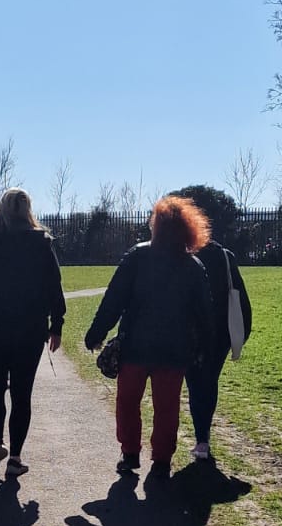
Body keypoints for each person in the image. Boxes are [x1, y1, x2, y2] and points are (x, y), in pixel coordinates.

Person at [84, 195, 213, 477]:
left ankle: (130, 452)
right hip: (174, 350)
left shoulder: (137, 256)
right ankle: (162, 458)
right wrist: (204, 348)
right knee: (166, 408)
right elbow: (205, 313)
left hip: (135, 346)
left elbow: (113, 299)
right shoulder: (193, 267)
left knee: (127, 403)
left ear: (156, 225)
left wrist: (96, 333)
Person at [0, 188, 66, 477]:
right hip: (30, 328)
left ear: (0, 209)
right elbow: (54, 286)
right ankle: (16, 457)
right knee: (22, 393)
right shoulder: (41, 243)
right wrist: (57, 325)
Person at [188, 237, 252, 461]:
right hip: (221, 334)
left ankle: (201, 438)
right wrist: (242, 333)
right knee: (209, 381)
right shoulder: (225, 256)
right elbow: (241, 297)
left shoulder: (186, 255)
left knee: (196, 385)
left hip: (193, 333)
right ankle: (204, 438)